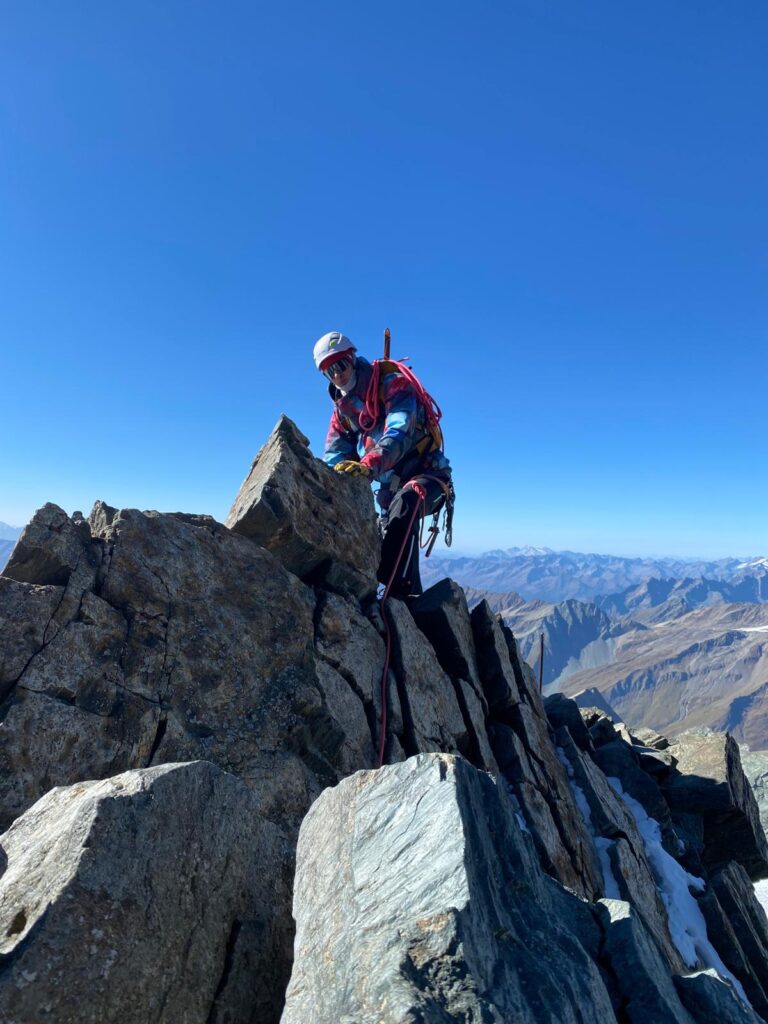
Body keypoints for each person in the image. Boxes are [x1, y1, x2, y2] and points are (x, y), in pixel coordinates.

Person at [314, 331, 453, 599]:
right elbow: (334, 453)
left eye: (340, 364)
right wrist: (333, 483)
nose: (337, 375)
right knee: (395, 530)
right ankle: (410, 606)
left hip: (428, 474)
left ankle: (390, 599)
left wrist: (367, 465)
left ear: (352, 358)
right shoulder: (342, 410)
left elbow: (399, 432)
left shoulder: (392, 383)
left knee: (406, 508)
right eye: (329, 371)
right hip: (391, 487)